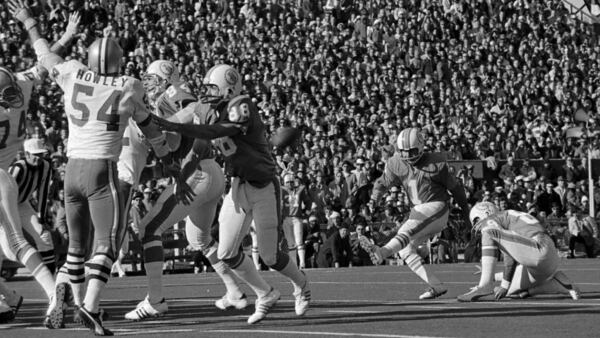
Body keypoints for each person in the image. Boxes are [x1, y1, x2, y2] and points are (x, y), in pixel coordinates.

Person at [10, 2, 178, 334]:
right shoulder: (129, 86)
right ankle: (90, 306)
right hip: (102, 172)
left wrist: (30, 22)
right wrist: (167, 157)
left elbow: (44, 56)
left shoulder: (72, 72)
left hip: (70, 173)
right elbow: (150, 129)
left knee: (75, 247)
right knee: (105, 244)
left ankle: (75, 303)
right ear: (118, 63)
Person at [154, 64, 310, 324]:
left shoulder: (242, 105)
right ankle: (265, 293)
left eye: (213, 87)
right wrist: (182, 177)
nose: (208, 92)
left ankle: (302, 284)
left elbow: (217, 131)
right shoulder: (206, 111)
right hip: (237, 185)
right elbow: (198, 149)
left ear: (229, 87)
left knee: (270, 256)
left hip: (264, 186)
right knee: (226, 252)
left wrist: (177, 126)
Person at [123, 60, 246, 321]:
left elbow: (194, 126)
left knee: (148, 228)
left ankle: (155, 300)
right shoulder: (167, 98)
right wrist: (151, 174)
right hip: (208, 172)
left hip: (198, 172)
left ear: (166, 79)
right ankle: (235, 291)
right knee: (199, 239)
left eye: (152, 79)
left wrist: (182, 175)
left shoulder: (177, 94)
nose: (147, 84)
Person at [0, 8, 81, 327]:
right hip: (11, 182)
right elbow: (47, 61)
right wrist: (65, 34)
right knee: (12, 245)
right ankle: (12, 298)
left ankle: (49, 294)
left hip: (0, 182)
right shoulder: (21, 86)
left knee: (15, 244)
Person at [358, 127, 470, 300]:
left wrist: (465, 212)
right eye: (404, 152)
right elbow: (382, 183)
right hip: (417, 212)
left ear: (422, 146)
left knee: (406, 230)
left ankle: (382, 252)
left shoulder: (437, 162)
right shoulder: (396, 162)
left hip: (437, 207)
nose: (408, 156)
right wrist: (375, 199)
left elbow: (456, 189)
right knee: (405, 250)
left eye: (412, 151)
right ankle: (436, 285)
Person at [458, 202, 579, 302]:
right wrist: (495, 277)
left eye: (476, 220)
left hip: (539, 247)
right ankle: (559, 284)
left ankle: (484, 285)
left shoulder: (492, 220)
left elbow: (510, 260)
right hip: (545, 258)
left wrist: (502, 284)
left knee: (488, 231)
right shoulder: (509, 218)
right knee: (510, 292)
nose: (477, 226)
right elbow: (514, 257)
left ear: (485, 213)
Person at [5, 138, 56, 274]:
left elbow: (43, 193)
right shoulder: (18, 168)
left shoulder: (46, 166)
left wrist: (42, 218)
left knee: (44, 235)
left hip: (22, 204)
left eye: (40, 155)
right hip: (5, 207)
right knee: (9, 246)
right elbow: (4, 192)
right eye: (35, 155)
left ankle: (52, 278)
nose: (38, 158)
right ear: (26, 154)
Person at [281, 173, 311, 268]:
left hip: (297, 218)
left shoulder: (300, 189)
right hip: (286, 219)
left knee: (299, 241)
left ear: (294, 182)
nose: (289, 184)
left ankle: (302, 263)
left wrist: (306, 212)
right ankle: (294, 263)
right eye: (287, 182)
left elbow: (308, 201)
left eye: (291, 182)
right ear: (284, 182)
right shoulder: (282, 189)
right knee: (290, 243)